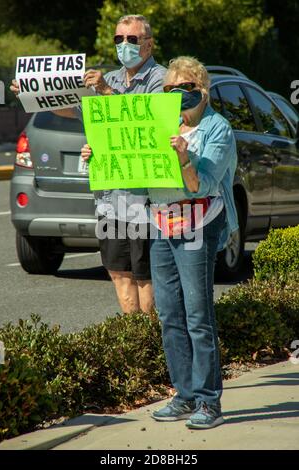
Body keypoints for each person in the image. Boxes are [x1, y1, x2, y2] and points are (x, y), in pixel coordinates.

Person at [11, 15, 166, 314]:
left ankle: (153, 343)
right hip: (110, 198)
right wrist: (32, 92)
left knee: (146, 276)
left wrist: (107, 92)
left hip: (145, 199)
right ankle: (134, 341)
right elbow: (74, 110)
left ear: (148, 44)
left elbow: (149, 123)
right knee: (119, 272)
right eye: (118, 39)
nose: (124, 45)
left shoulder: (161, 79)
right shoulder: (114, 77)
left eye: (131, 40)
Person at [147, 56, 238, 429]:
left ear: (203, 90)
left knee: (198, 316)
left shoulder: (218, 129)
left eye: (186, 87)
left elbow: (208, 183)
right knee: (169, 314)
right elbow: (135, 168)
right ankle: (184, 396)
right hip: (161, 223)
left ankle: (208, 402)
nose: (178, 94)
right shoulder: (160, 125)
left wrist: (185, 158)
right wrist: (99, 157)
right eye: (170, 89)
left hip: (199, 224)